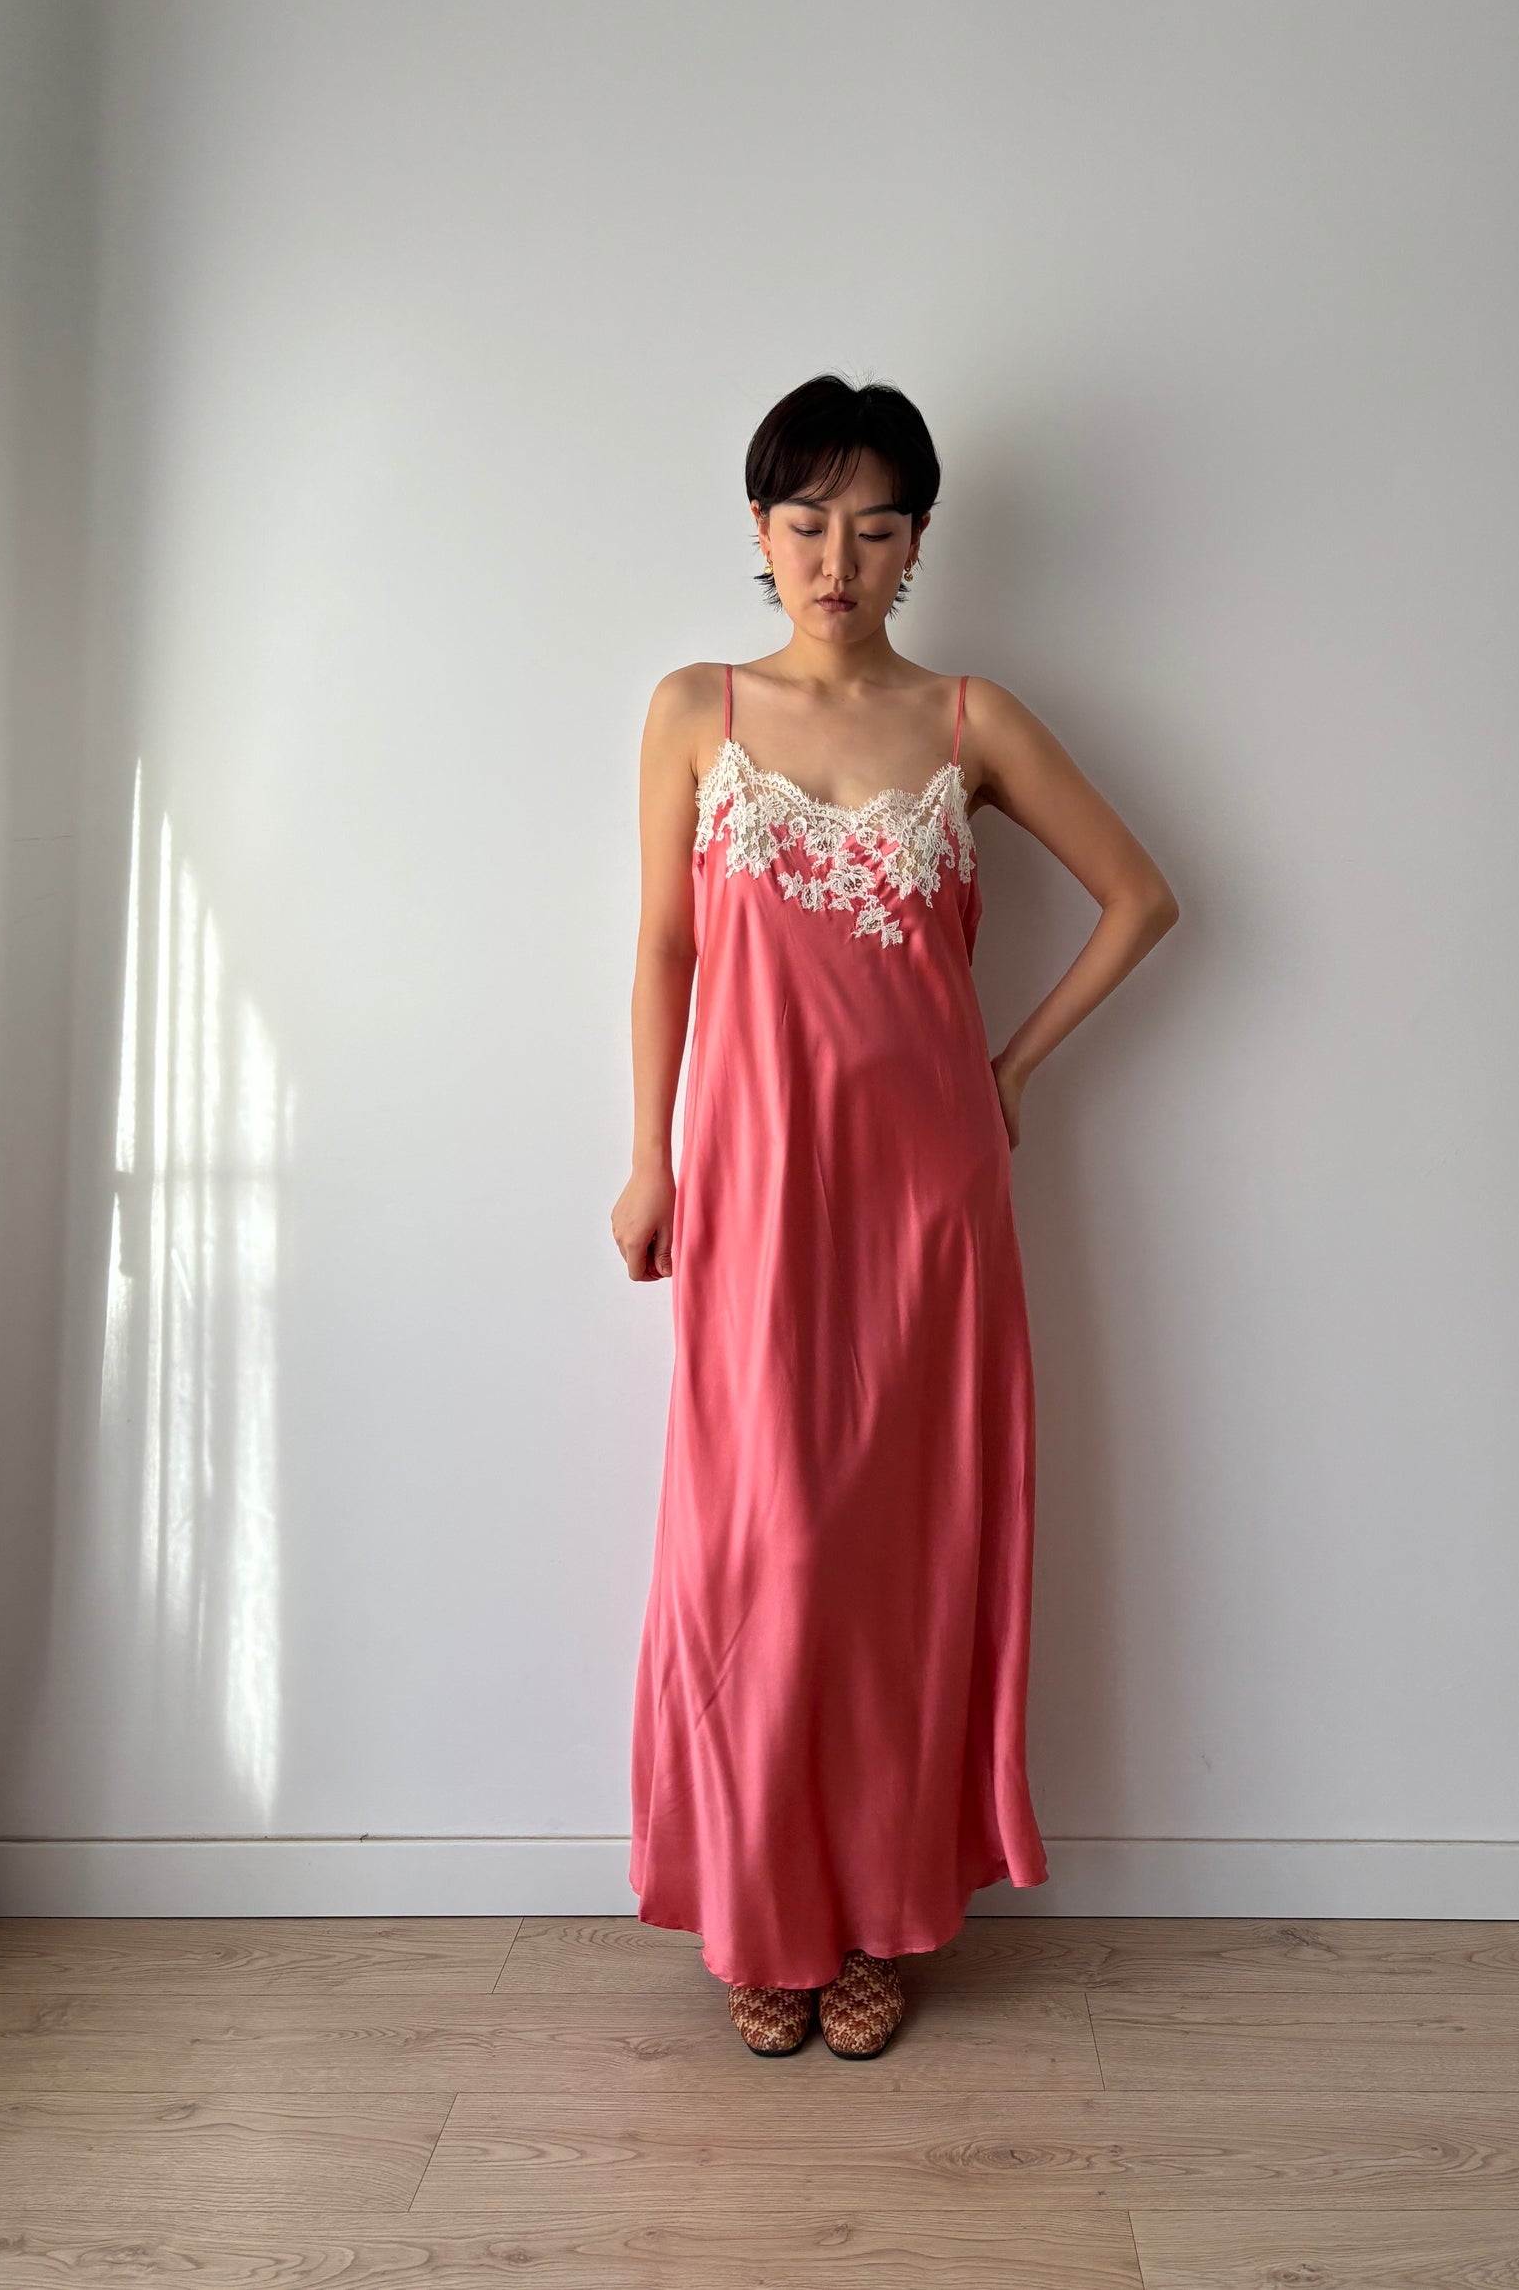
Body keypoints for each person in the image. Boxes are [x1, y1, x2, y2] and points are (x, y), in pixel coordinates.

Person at [614, 373, 1179, 2057]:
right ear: (760, 530)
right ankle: (761, 1914)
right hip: (754, 1185)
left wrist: (1009, 1070)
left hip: (930, 1197)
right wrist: (648, 1156)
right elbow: (664, 950)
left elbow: (1142, 898)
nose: (834, 559)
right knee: (762, 1546)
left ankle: (866, 1914)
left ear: (917, 542)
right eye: (805, 524)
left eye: (873, 528)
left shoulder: (969, 722)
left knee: (896, 1555)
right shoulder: (695, 709)